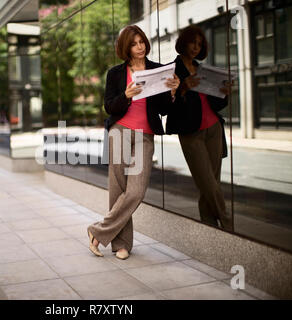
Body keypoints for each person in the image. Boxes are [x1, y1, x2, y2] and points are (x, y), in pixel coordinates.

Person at [87, 25, 180, 260]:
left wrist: (172, 93)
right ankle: (121, 244)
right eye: (134, 43)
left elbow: (164, 109)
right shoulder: (115, 74)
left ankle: (98, 231)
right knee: (118, 188)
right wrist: (125, 96)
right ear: (125, 47)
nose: (139, 47)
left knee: (136, 191)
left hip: (145, 135)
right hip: (120, 131)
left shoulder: (158, 70)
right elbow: (109, 106)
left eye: (142, 42)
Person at [165, 25, 233, 232]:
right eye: (192, 42)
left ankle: (209, 230)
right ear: (183, 42)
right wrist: (183, 88)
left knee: (210, 184)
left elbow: (217, 104)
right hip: (190, 132)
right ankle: (228, 222)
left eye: (199, 43)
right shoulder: (171, 70)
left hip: (213, 129)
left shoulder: (204, 70)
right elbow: (166, 108)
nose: (195, 47)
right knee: (207, 182)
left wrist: (225, 93)